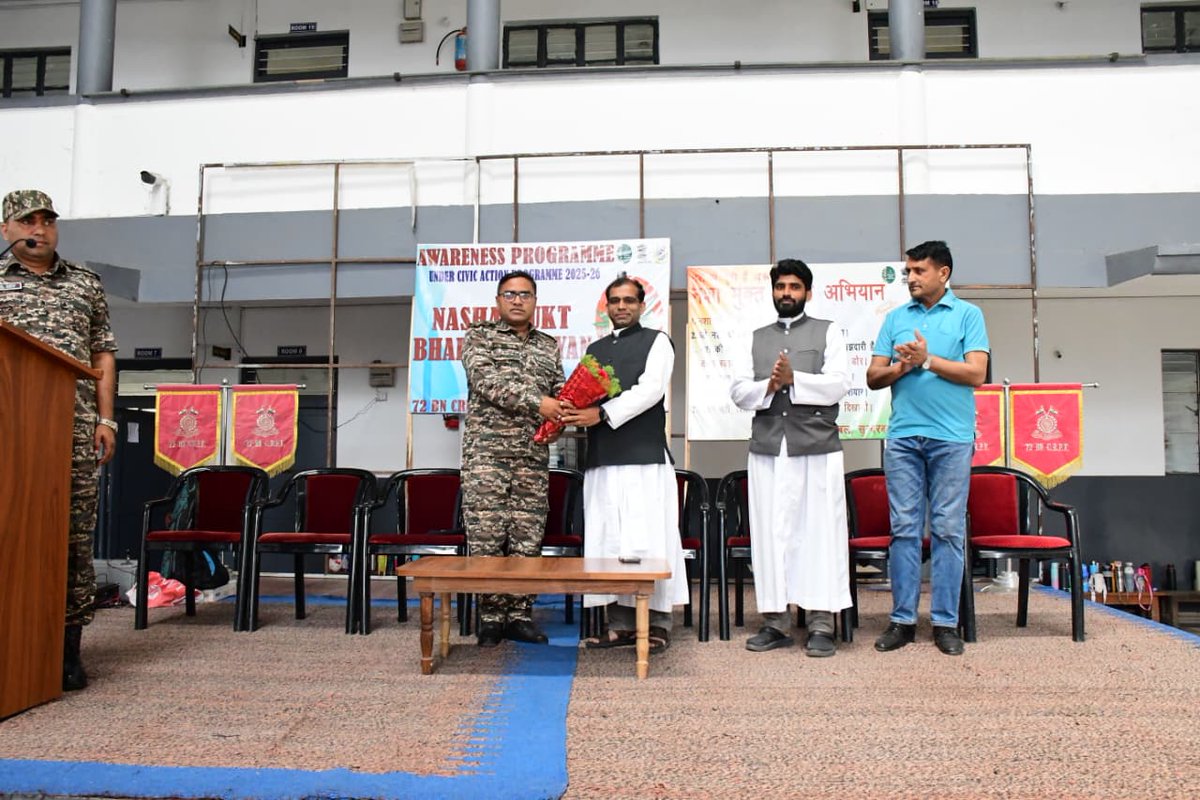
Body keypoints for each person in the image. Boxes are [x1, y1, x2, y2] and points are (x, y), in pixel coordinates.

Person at [0, 189, 118, 690]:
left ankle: (67, 649)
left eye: (47, 220)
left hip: (72, 429)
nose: (39, 229)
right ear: (6, 228)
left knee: (72, 538)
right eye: (27, 220)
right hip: (8, 430)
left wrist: (106, 419)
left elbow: (103, 353)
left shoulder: (85, 283)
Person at [866, 240, 989, 656]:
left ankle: (945, 623)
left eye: (919, 271)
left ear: (944, 273)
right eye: (909, 272)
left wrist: (927, 360)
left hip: (952, 439)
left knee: (948, 529)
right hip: (902, 437)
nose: (911, 279)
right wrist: (902, 366)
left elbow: (976, 373)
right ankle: (902, 620)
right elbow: (873, 377)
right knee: (903, 529)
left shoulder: (969, 315)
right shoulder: (896, 318)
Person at [729, 258, 852, 657]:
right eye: (781, 286)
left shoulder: (828, 332)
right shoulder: (755, 337)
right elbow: (737, 390)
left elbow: (839, 384)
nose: (787, 293)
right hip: (768, 448)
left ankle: (820, 622)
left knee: (818, 533)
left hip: (815, 447)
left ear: (808, 292)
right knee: (771, 533)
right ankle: (775, 621)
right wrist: (770, 385)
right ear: (773, 291)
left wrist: (795, 380)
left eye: (795, 287)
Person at [562, 275, 688, 654]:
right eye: (615, 301)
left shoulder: (658, 342)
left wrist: (600, 414)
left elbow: (650, 392)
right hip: (603, 460)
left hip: (644, 458)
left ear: (641, 304)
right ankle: (618, 624)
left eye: (629, 300)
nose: (621, 307)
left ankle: (658, 623)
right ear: (607, 306)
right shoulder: (595, 349)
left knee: (650, 539)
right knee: (610, 540)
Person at [460, 270, 565, 647]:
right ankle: (490, 617)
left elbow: (559, 391)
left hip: (531, 457)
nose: (517, 300)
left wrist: (561, 419)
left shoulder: (548, 345)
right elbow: (486, 382)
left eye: (525, 294)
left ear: (536, 301)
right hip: (486, 457)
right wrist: (541, 404)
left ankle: (519, 614)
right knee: (487, 539)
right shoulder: (479, 336)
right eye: (509, 294)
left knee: (526, 539)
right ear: (498, 301)